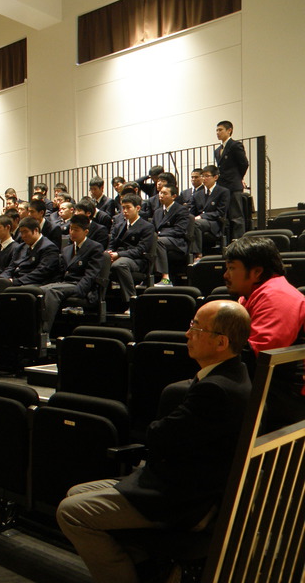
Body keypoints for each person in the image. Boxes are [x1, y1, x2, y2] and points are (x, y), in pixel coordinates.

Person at [57, 300, 252, 583]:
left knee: (71, 513)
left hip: (185, 500)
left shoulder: (216, 390)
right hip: (179, 485)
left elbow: (160, 437)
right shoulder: (236, 373)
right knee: (76, 492)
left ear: (221, 342)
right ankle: (150, 571)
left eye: (196, 327)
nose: (187, 334)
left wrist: (158, 430)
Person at [223, 236, 305, 429]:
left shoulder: (278, 295)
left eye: (232, 268)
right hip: (265, 384)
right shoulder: (254, 295)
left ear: (257, 272)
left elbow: (256, 357)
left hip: (283, 394)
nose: (226, 275)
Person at [35, 215, 106, 336]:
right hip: (65, 284)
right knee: (39, 290)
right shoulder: (67, 249)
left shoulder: (95, 247)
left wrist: (78, 292)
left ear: (86, 231)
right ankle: (33, 330)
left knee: (52, 292)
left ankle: (44, 334)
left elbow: (91, 275)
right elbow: (60, 272)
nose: (72, 232)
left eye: (76, 230)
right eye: (71, 229)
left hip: (80, 286)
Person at [107, 194, 155, 310]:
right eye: (123, 208)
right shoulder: (119, 226)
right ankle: (100, 302)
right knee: (98, 261)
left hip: (137, 261)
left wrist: (118, 255)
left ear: (138, 208)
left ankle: (131, 302)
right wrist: (108, 253)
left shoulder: (147, 227)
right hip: (118, 257)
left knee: (120, 264)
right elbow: (111, 244)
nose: (125, 211)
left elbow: (140, 250)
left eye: (128, 207)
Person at [214, 120, 249, 240]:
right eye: (216, 130)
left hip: (233, 185)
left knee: (236, 216)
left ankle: (239, 240)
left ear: (229, 131)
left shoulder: (235, 145)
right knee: (225, 216)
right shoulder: (217, 150)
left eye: (220, 130)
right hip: (222, 186)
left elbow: (244, 163)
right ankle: (227, 240)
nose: (217, 133)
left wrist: (239, 178)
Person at [152, 177, 190, 286]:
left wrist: (159, 235)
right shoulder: (157, 212)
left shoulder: (181, 210)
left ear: (173, 196)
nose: (161, 195)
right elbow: (153, 228)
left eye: (164, 193)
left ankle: (165, 278)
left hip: (177, 242)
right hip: (163, 239)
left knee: (158, 241)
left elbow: (179, 230)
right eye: (160, 193)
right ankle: (147, 276)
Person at [189, 165, 230, 258]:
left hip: (214, 222)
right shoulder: (197, 194)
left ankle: (197, 254)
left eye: (207, 176)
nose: (204, 178)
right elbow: (192, 212)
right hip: (199, 222)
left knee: (195, 223)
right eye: (202, 176)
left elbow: (220, 212)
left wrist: (202, 217)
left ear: (215, 177)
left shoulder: (223, 191)